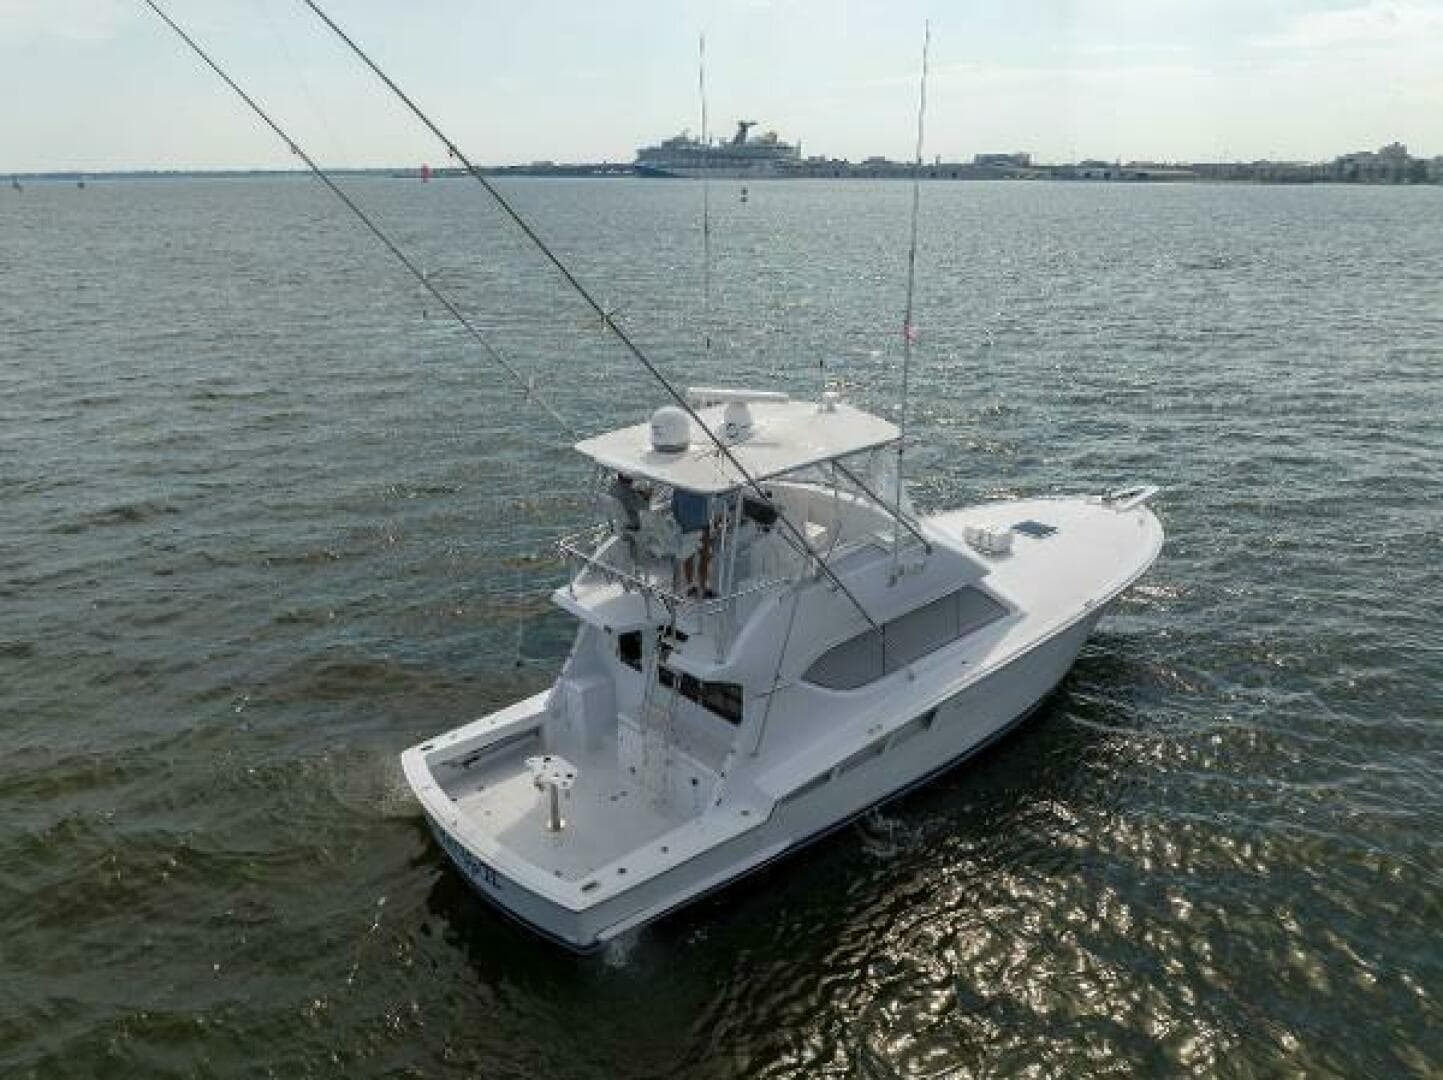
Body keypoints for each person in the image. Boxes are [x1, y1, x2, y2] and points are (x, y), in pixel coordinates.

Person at [671, 487, 712, 597]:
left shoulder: (678, 488)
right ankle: (698, 586)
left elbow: (674, 508)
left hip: (692, 526)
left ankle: (697, 586)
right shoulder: (694, 486)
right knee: (702, 557)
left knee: (699, 557)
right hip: (697, 526)